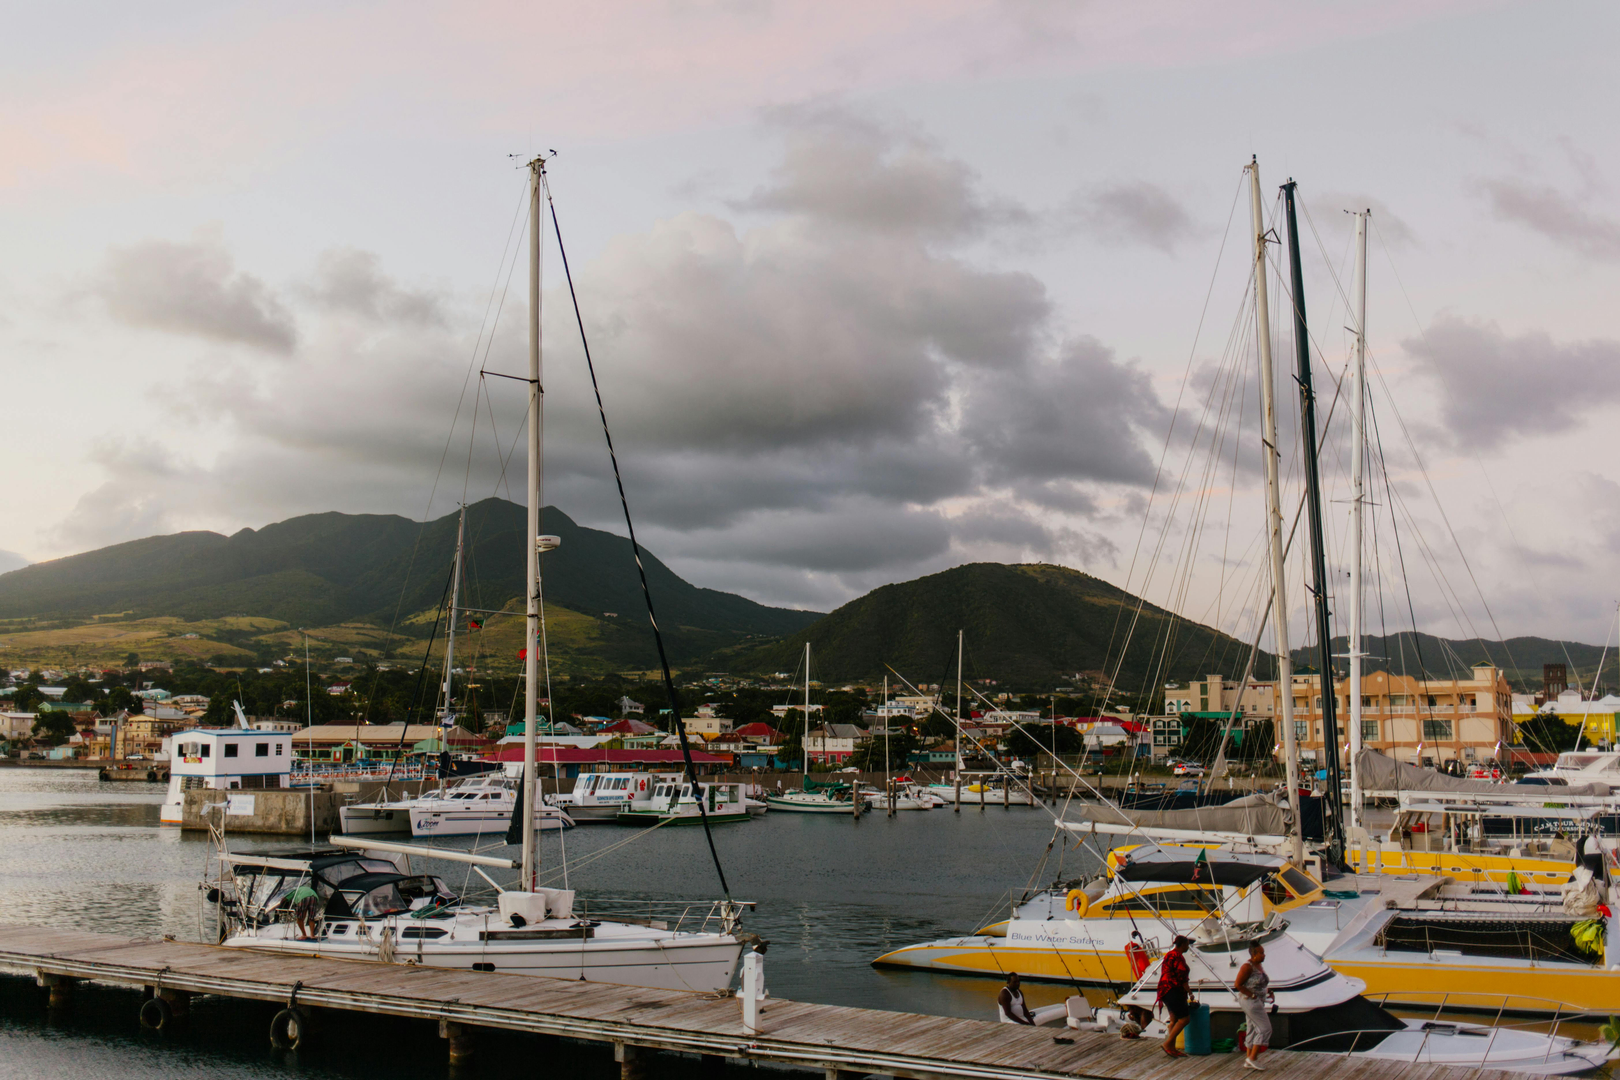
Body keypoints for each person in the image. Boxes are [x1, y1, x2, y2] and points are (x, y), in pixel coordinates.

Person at [1235, 941, 1272, 1070]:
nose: (1264, 955)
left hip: (1258, 1000)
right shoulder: (1247, 967)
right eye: (1261, 953)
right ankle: (1253, 1058)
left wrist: (1269, 992)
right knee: (1265, 1028)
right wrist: (1253, 996)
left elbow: (1259, 983)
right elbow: (1238, 985)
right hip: (1250, 1001)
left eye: (1264, 952)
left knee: (1251, 1027)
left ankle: (1248, 1059)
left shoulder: (1259, 965)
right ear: (1254, 954)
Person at [1157, 935, 1194, 1057]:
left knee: (1173, 1019)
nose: (1188, 947)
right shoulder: (1178, 957)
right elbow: (1182, 976)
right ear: (1182, 945)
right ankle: (1168, 1044)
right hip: (1173, 989)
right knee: (1184, 1019)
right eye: (1187, 944)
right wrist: (1189, 992)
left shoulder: (1169, 955)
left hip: (1164, 990)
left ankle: (1171, 1047)